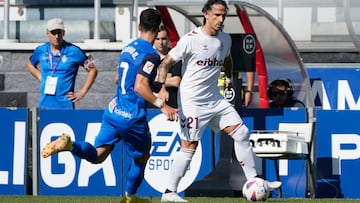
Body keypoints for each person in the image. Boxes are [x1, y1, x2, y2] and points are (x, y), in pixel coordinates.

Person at [41, 9, 176, 203]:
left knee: (97, 155)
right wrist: (162, 104)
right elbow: (139, 86)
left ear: (139, 26)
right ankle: (130, 197)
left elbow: (117, 79)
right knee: (142, 156)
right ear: (157, 29)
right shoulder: (152, 55)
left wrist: (154, 81)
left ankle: (69, 144)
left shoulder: (128, 48)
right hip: (132, 115)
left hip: (113, 110)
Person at [155, 0, 281, 202]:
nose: (221, 19)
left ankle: (254, 180)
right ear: (206, 14)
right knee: (189, 147)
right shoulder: (191, 39)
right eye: (217, 15)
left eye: (224, 15)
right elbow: (165, 64)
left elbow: (227, 59)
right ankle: (169, 192)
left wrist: (229, 78)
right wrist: (161, 91)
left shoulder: (225, 39)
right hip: (192, 102)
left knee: (241, 133)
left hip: (214, 98)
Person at [26, 18, 97, 109]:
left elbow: (92, 70)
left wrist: (82, 92)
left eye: (59, 32)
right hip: (44, 105)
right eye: (53, 33)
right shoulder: (41, 50)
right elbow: (29, 63)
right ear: (47, 33)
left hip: (65, 105)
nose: (56, 36)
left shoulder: (74, 51)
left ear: (63, 33)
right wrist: (41, 77)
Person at [154, 25, 182, 108]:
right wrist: (167, 77)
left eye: (163, 39)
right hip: (152, 105)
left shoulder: (175, 58)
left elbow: (176, 82)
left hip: (171, 105)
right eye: (157, 39)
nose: (161, 42)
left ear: (168, 39)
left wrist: (153, 79)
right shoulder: (149, 57)